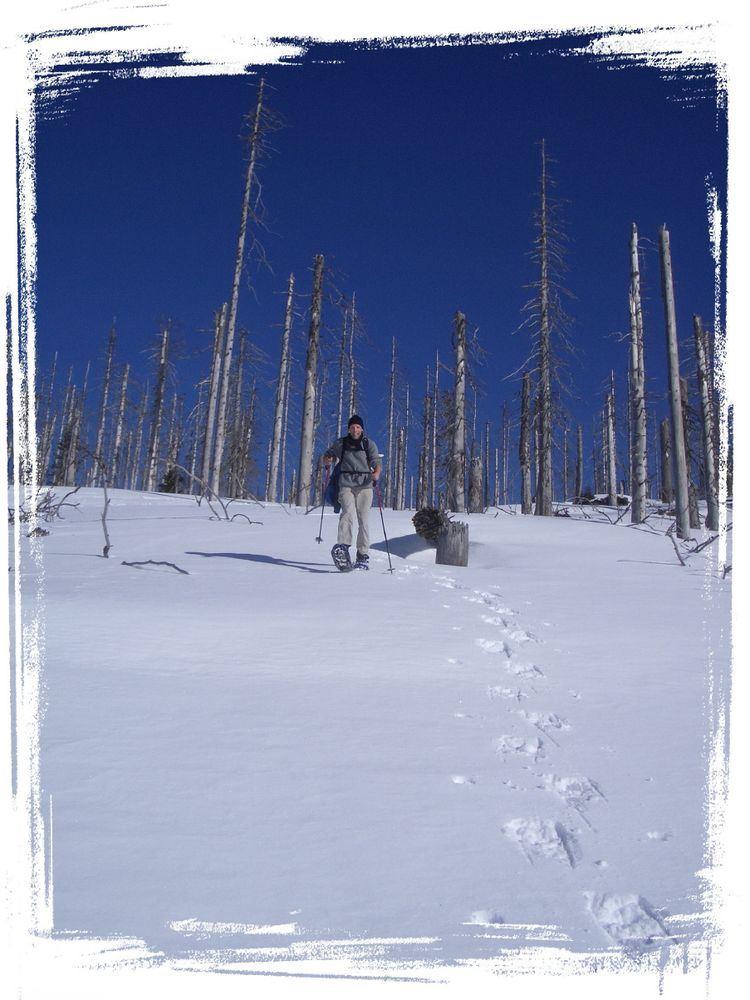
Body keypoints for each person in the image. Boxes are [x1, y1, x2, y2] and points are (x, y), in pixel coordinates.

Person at [323, 415, 381, 569]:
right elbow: (328, 454)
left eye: (358, 427)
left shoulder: (368, 444)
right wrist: (327, 459)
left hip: (365, 485)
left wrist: (376, 473)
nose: (355, 429)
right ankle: (343, 547)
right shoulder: (340, 443)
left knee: (363, 519)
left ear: (362, 429)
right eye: (352, 427)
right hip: (346, 483)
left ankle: (362, 555)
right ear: (348, 429)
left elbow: (376, 461)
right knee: (347, 513)